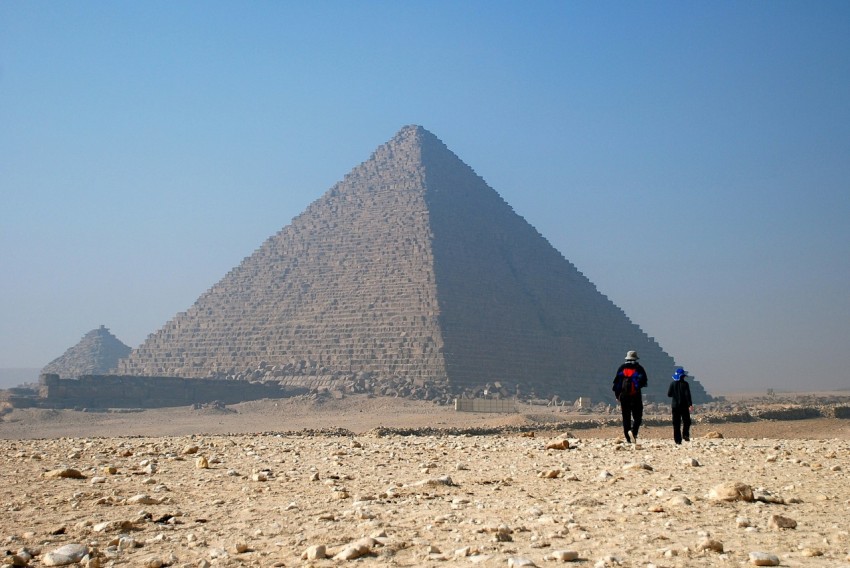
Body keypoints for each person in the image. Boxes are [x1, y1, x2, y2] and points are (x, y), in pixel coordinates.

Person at [612, 350, 648, 443]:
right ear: (636, 358)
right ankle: (634, 432)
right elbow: (644, 382)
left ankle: (628, 439)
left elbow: (616, 383)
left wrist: (618, 396)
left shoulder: (622, 368)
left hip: (624, 396)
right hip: (636, 396)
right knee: (638, 417)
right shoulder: (639, 368)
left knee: (626, 418)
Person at [667, 367, 694, 444]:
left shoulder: (672, 384)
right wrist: (690, 405)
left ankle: (678, 440)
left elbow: (669, 394)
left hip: (675, 406)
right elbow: (688, 395)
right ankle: (685, 434)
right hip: (684, 406)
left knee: (676, 423)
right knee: (687, 421)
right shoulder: (685, 384)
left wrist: (675, 394)